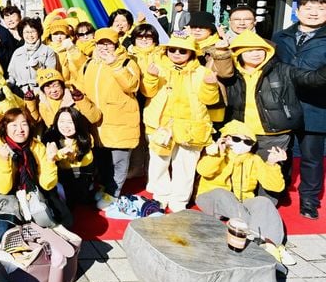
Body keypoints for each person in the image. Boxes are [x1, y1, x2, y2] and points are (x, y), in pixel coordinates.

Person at [213, 30, 326, 204]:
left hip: (273, 135)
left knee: (270, 173)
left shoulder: (282, 70)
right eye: (250, 50)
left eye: (260, 49)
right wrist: (221, 51)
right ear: (239, 53)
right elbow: (221, 69)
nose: (256, 53)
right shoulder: (233, 74)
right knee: (241, 172)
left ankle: (265, 207)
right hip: (242, 135)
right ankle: (240, 206)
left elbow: (312, 79)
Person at [196, 121, 295, 266]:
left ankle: (272, 245)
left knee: (263, 202)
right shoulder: (216, 152)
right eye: (236, 139)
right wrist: (218, 154)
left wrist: (272, 164)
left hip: (241, 205)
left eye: (247, 141)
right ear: (226, 138)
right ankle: (255, 235)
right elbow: (203, 171)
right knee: (223, 194)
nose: (242, 144)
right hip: (212, 199)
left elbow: (276, 187)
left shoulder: (254, 159)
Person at [141, 35, 219, 212]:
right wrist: (151, 77)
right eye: (172, 49)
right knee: (159, 163)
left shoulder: (203, 72)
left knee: (185, 166)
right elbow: (147, 92)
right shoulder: (157, 67)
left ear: (191, 53)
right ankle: (161, 196)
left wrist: (210, 86)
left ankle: (179, 201)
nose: (176, 53)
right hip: (161, 125)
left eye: (182, 50)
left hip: (191, 127)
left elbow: (210, 100)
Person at [272, 0, 326, 219]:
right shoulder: (281, 36)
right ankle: (279, 191)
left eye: (321, 9)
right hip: (283, 105)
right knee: (280, 152)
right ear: (298, 11)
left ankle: (309, 201)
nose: (314, 13)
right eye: (308, 8)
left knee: (311, 157)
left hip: (316, 107)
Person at [0, 108, 70, 240]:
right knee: (9, 212)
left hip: (28, 186)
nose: (20, 129)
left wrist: (51, 160)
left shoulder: (37, 146)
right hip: (1, 187)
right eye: (14, 125)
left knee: (60, 215)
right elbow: (3, 188)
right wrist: (4, 160)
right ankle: (3, 241)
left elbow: (47, 184)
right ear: (5, 127)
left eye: (24, 124)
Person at [76, 28, 141, 205]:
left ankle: (113, 193)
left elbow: (132, 86)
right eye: (100, 43)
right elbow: (80, 86)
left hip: (120, 121)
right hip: (97, 123)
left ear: (116, 44)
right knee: (103, 159)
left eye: (108, 43)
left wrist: (115, 65)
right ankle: (105, 187)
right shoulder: (89, 64)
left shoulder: (127, 62)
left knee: (118, 161)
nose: (104, 47)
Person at [43, 106, 96, 206]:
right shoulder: (51, 138)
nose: (65, 126)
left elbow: (87, 159)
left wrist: (74, 156)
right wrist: (61, 154)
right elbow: (48, 160)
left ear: (77, 123)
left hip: (82, 173)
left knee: (84, 199)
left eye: (70, 122)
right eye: (62, 121)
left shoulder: (86, 137)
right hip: (63, 175)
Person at [7, 17, 57, 96]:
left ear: (39, 32)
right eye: (26, 32)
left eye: (33, 31)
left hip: (41, 92)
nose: (30, 35)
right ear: (22, 34)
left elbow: (51, 75)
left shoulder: (48, 51)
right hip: (20, 93)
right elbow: (12, 75)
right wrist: (7, 85)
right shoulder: (17, 52)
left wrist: (38, 66)